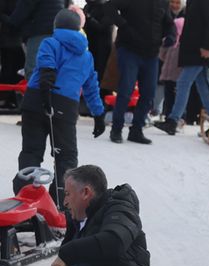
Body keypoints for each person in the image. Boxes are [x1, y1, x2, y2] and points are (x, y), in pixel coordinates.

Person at [30, 165, 174, 266]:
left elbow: (113, 242)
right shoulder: (77, 218)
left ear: (85, 192)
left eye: (68, 194)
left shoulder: (121, 208)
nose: (64, 202)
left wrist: (66, 254)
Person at [12, 9, 105, 208]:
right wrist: (98, 114)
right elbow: (91, 87)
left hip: (36, 100)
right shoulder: (87, 56)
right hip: (65, 107)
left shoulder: (50, 42)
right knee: (66, 156)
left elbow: (46, 67)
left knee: (31, 151)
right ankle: (63, 201)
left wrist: (45, 92)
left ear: (56, 26)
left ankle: (25, 196)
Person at [103, 0, 176, 144]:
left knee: (149, 94)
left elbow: (169, 23)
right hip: (129, 49)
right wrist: (123, 26)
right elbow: (109, 7)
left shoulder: (162, 2)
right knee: (126, 90)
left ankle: (136, 130)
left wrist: (171, 36)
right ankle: (116, 129)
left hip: (151, 53)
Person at [153, 0, 209, 136]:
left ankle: (173, 120)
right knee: (202, 86)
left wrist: (207, 46)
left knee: (183, 82)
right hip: (194, 50)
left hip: (200, 51)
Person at [1, 0, 67, 81]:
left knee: (33, 70)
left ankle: (36, 92)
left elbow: (25, 7)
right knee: (52, 68)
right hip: (57, 31)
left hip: (39, 32)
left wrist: (10, 25)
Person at [158, 17, 185, 121]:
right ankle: (168, 115)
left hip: (177, 76)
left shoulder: (184, 45)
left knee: (176, 97)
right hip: (167, 75)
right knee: (168, 97)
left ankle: (178, 117)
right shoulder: (170, 41)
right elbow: (161, 55)